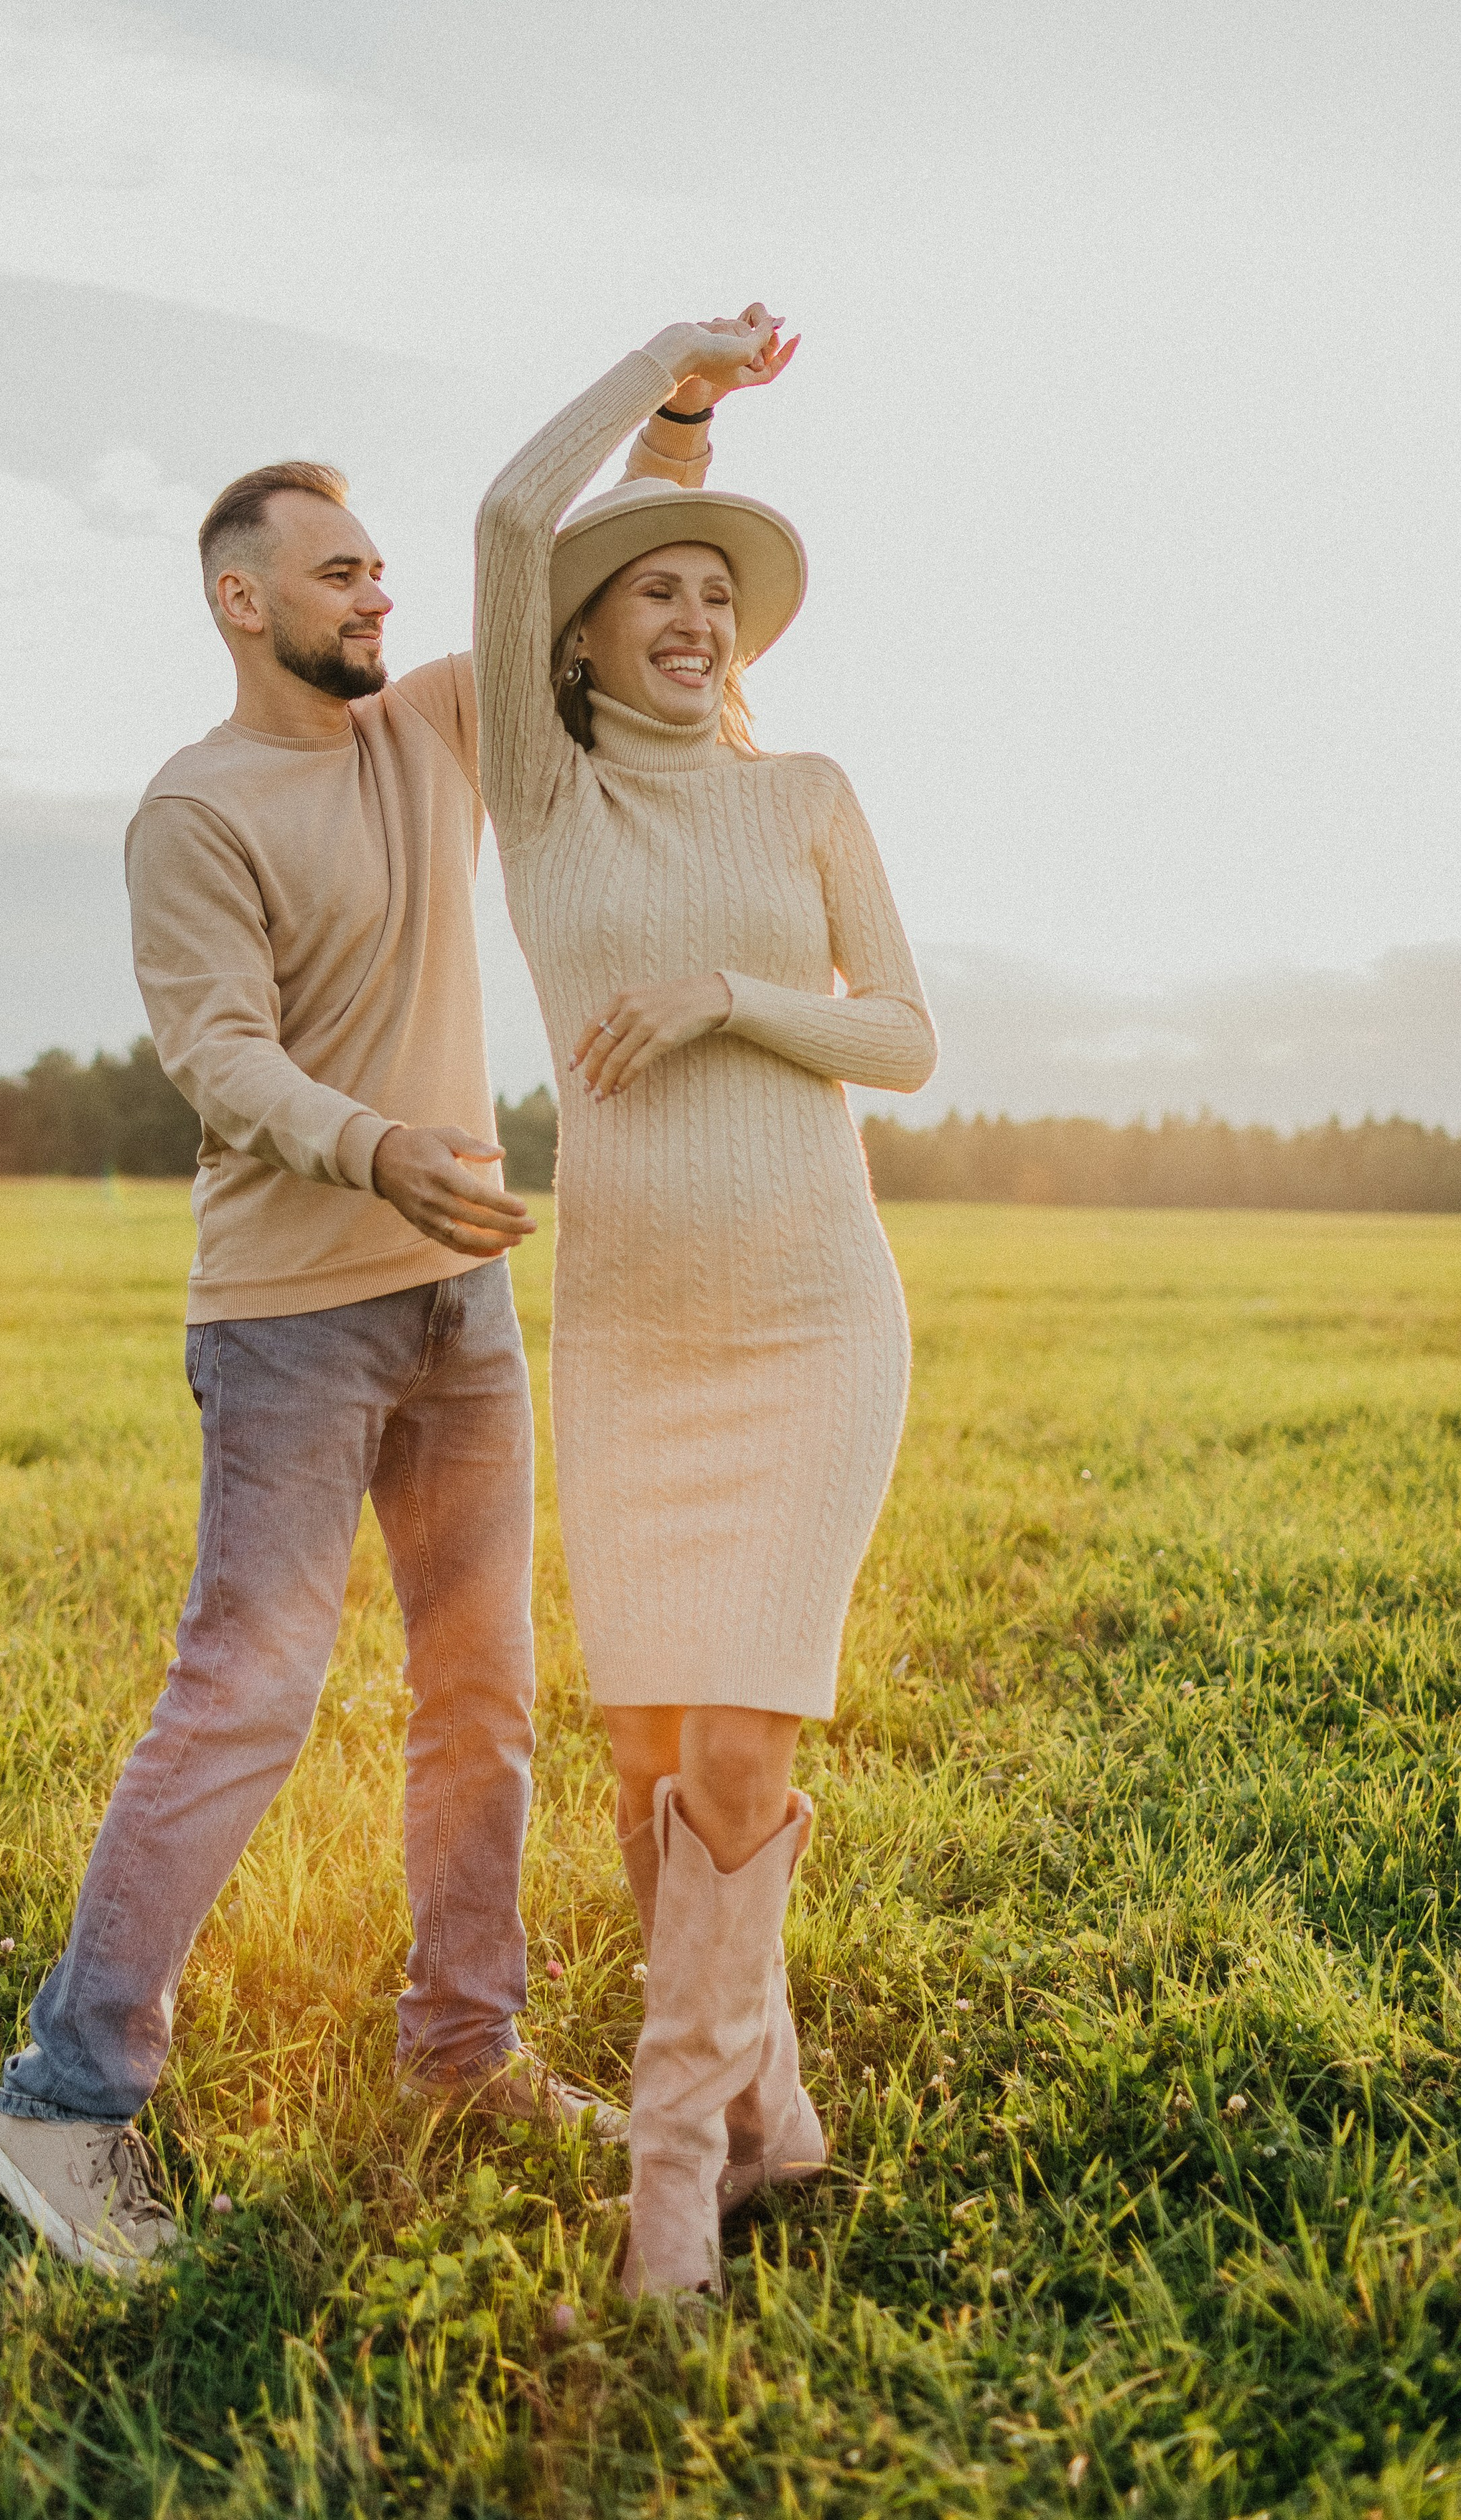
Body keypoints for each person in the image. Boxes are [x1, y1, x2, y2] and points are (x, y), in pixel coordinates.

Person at [0, 413, 713, 2278]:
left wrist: (679, 419)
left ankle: (464, 2054)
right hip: (292, 1323)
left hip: (458, 1309)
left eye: (382, 565)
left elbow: (557, 564)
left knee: (484, 1695)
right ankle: (63, 2106)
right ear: (242, 601)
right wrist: (375, 1144)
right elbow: (214, 1054)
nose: (380, 590)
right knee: (245, 1695)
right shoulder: (198, 810)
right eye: (339, 568)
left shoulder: (432, 727)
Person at [472, 306, 938, 2295]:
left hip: (816, 1319)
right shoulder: (547, 802)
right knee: (652, 1753)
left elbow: (905, 1036)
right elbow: (506, 515)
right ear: (578, 639)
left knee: (741, 1744)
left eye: (711, 594)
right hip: (637, 1340)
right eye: (651, 588)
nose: (687, 614)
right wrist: (660, 375)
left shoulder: (809, 790)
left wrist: (733, 999)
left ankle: (677, 2185)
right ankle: (772, 2100)